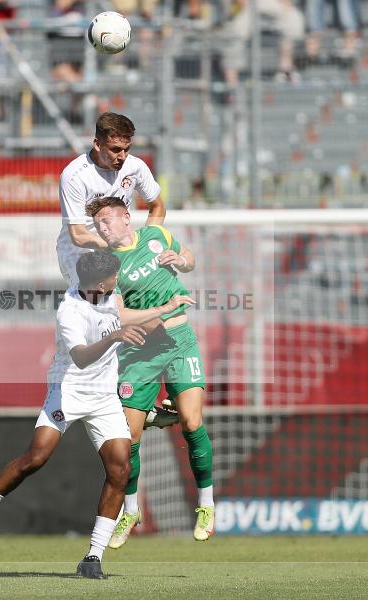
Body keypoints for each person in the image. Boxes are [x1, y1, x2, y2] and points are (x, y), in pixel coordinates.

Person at [0, 250, 193, 579]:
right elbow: (81, 358)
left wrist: (164, 310)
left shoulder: (107, 293)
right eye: (113, 277)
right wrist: (115, 335)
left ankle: (93, 557)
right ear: (100, 284)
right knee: (35, 458)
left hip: (104, 397)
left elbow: (126, 315)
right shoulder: (70, 311)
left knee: (120, 469)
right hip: (69, 391)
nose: (117, 280)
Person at [87, 197, 215, 545]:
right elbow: (119, 314)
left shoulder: (156, 235)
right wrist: (163, 307)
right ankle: (131, 511)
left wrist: (181, 261)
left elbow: (189, 259)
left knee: (192, 422)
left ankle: (206, 505)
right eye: (98, 225)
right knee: (127, 439)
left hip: (179, 341)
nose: (102, 228)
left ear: (126, 218)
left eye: (106, 221)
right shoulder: (107, 263)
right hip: (139, 351)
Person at [57, 112, 165, 288]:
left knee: (144, 295)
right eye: (115, 149)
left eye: (127, 149)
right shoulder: (75, 176)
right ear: (97, 144)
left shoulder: (135, 167)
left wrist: (145, 241)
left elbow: (157, 206)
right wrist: (119, 248)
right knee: (94, 299)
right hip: (81, 252)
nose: (122, 156)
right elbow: (78, 235)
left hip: (119, 249)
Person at [220, 0, 305, 85]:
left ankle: (285, 72)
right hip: (241, 5)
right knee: (236, 29)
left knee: (293, 17)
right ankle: (232, 85)